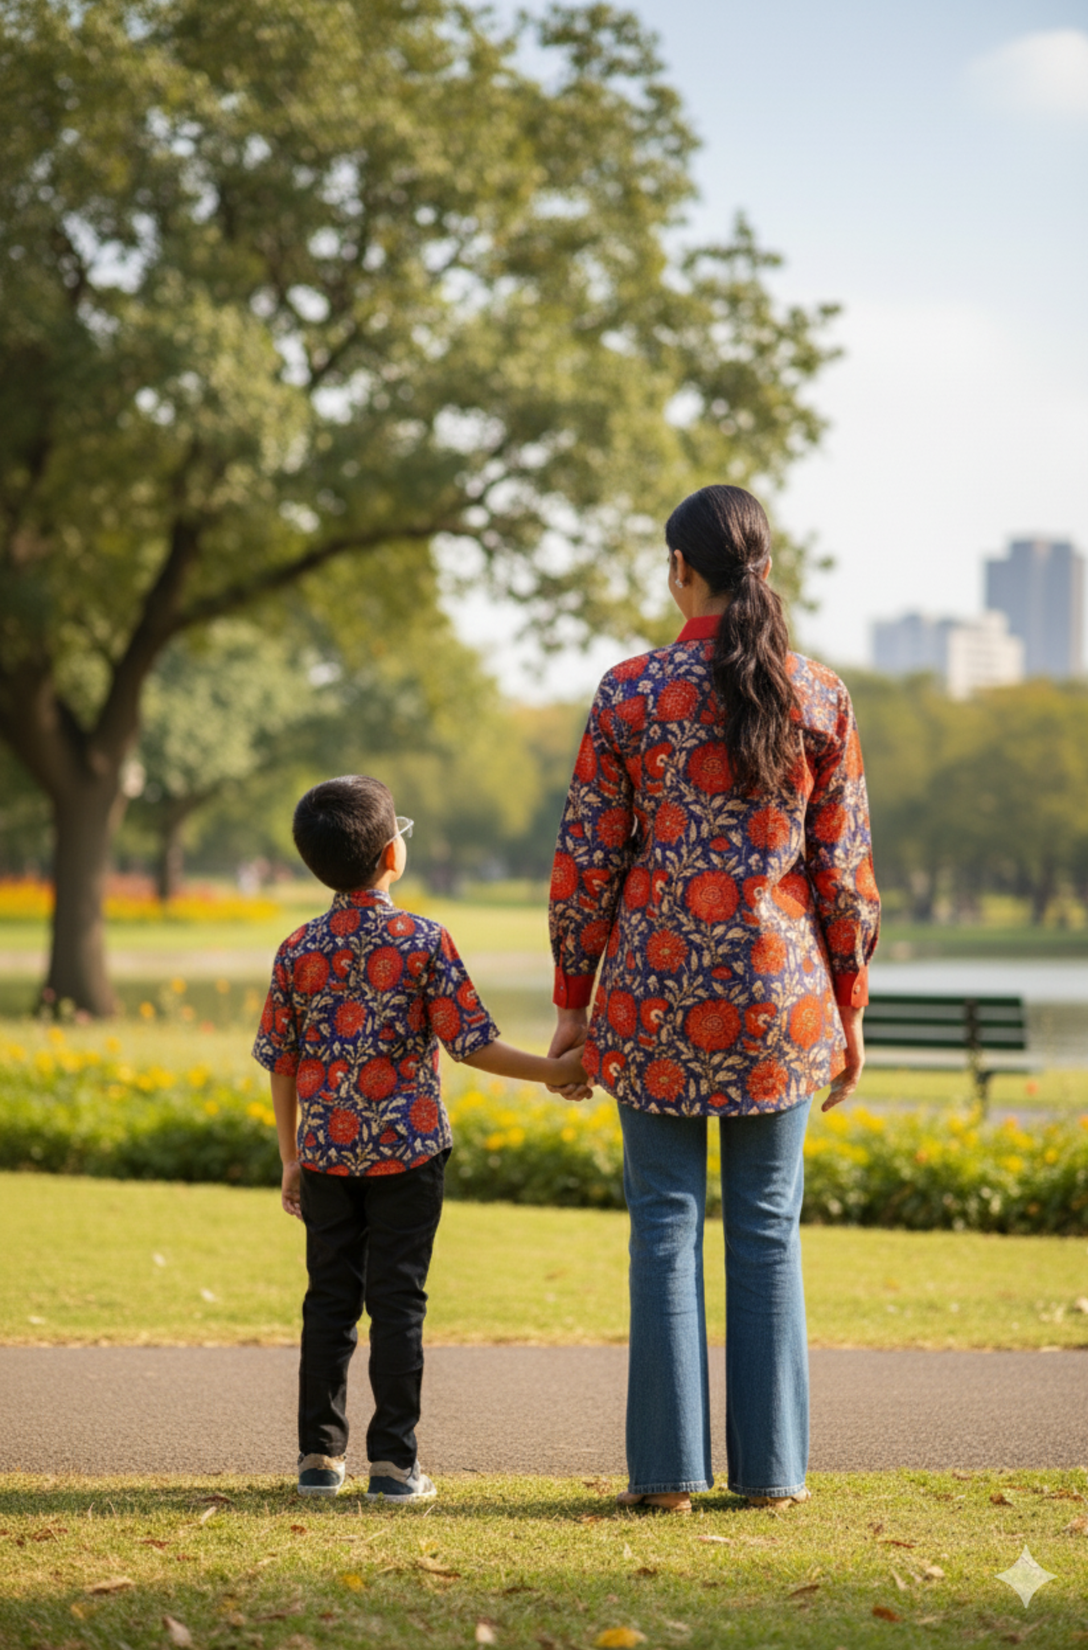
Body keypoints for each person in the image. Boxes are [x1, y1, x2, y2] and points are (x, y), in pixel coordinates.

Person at [547, 485, 880, 1512]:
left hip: (650, 994)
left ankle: (665, 1479)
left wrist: (571, 999)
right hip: (781, 1000)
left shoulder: (627, 693)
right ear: (765, 570)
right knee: (768, 1230)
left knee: (662, 1223)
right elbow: (843, 870)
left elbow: (585, 861)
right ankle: (773, 1476)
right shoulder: (816, 695)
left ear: (675, 569)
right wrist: (850, 1007)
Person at [253, 774, 589, 1501]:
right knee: (398, 1303)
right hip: (408, 1153)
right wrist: (556, 1069)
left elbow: (281, 1061)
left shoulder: (297, 948)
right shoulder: (423, 940)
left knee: (328, 1304)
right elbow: (471, 1044)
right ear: (390, 855)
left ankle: (318, 1459)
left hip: (325, 1155)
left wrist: (290, 1158)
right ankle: (393, 1467)